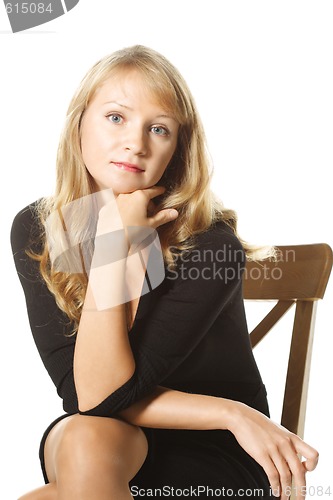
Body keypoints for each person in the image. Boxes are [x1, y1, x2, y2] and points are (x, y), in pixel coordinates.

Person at [11, 45, 318, 500]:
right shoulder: (40, 230)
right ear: (79, 123)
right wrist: (233, 411)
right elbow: (88, 398)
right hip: (118, 433)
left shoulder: (210, 244)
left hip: (215, 449)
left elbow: (99, 398)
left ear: (176, 150)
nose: (136, 143)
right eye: (116, 117)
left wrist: (233, 420)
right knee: (85, 437)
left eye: (159, 129)